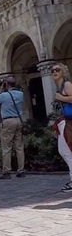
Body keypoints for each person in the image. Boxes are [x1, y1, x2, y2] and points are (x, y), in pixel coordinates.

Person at [0, 76, 25, 179]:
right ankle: (21, 170)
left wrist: (0, 91)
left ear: (6, 84)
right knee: (19, 147)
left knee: (6, 148)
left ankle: (6, 171)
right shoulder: (21, 94)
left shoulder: (3, 95)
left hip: (7, 121)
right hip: (18, 120)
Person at [51, 63, 72, 191]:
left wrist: (61, 98)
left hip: (69, 121)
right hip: (65, 121)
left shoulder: (67, 85)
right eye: (52, 70)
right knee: (65, 151)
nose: (54, 72)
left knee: (66, 151)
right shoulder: (60, 86)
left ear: (63, 71)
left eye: (57, 69)